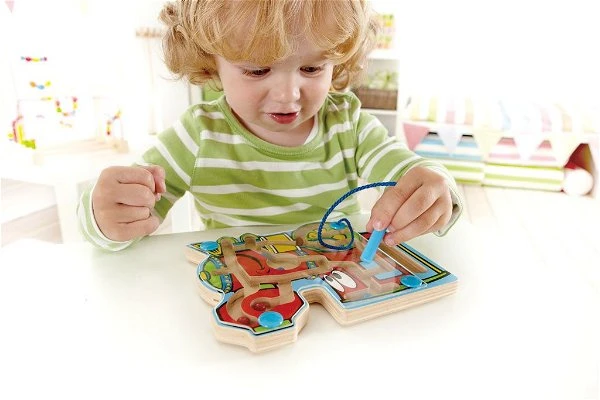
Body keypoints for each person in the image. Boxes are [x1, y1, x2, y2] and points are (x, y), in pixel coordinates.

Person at [78, 0, 463, 251]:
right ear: (210, 61)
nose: (287, 94)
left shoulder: (348, 125)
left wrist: (435, 189)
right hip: (242, 299)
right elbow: (129, 220)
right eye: (257, 70)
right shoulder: (197, 135)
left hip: (336, 293)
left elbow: (411, 172)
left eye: (312, 68)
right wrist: (106, 215)